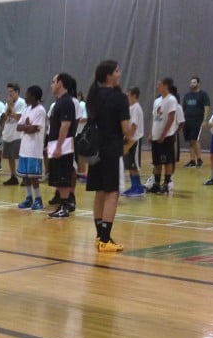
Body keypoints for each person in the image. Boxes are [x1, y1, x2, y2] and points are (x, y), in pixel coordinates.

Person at [85, 60, 132, 252]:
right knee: (112, 193)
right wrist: (131, 137)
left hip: (95, 149)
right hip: (111, 149)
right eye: (117, 71)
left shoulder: (93, 96)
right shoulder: (119, 98)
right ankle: (105, 239)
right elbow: (126, 129)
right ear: (108, 76)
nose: (120, 74)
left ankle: (99, 236)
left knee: (99, 192)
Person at [45, 72, 79, 218]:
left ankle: (64, 206)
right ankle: (62, 204)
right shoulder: (59, 102)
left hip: (63, 146)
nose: (51, 84)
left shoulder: (66, 102)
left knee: (64, 176)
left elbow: (65, 126)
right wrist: (50, 145)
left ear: (60, 83)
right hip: (56, 144)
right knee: (58, 176)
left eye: (53, 81)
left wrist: (59, 147)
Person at [15, 85, 47, 210]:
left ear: (33, 96)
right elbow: (18, 126)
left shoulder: (40, 110)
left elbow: (34, 129)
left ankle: (38, 199)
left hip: (34, 148)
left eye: (27, 94)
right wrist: (26, 127)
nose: (25, 96)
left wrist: (27, 127)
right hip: (24, 147)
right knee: (25, 175)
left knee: (33, 176)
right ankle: (29, 198)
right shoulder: (27, 109)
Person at [148, 77, 177, 194]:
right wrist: (151, 133)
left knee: (167, 161)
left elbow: (171, 118)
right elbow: (154, 118)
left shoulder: (171, 100)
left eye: (159, 84)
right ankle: (156, 184)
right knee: (157, 162)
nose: (157, 86)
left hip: (167, 136)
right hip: (156, 135)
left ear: (165, 86)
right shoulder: (157, 101)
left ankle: (166, 184)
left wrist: (163, 135)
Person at [0, 84, 26, 186]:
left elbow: (19, 118)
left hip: (17, 134)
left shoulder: (21, 102)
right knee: (10, 157)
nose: (9, 94)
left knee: (20, 157)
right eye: (8, 92)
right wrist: (8, 108)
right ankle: (13, 176)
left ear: (17, 92)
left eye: (11, 92)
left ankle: (24, 177)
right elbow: (4, 118)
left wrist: (11, 106)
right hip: (8, 133)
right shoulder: (7, 103)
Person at [122, 86, 145, 197]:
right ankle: (133, 186)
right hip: (130, 139)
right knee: (130, 165)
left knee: (134, 165)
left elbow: (134, 126)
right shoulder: (131, 107)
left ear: (134, 95)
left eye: (129, 94)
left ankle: (138, 187)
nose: (127, 95)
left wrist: (128, 138)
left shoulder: (136, 107)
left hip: (135, 140)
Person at [183, 76, 211, 168]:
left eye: (194, 82)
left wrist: (205, 119)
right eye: (191, 82)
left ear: (198, 83)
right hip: (187, 121)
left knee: (195, 140)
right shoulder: (187, 96)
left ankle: (199, 160)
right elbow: (184, 109)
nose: (192, 84)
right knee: (190, 141)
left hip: (197, 121)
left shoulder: (203, 95)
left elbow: (206, 107)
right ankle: (192, 160)